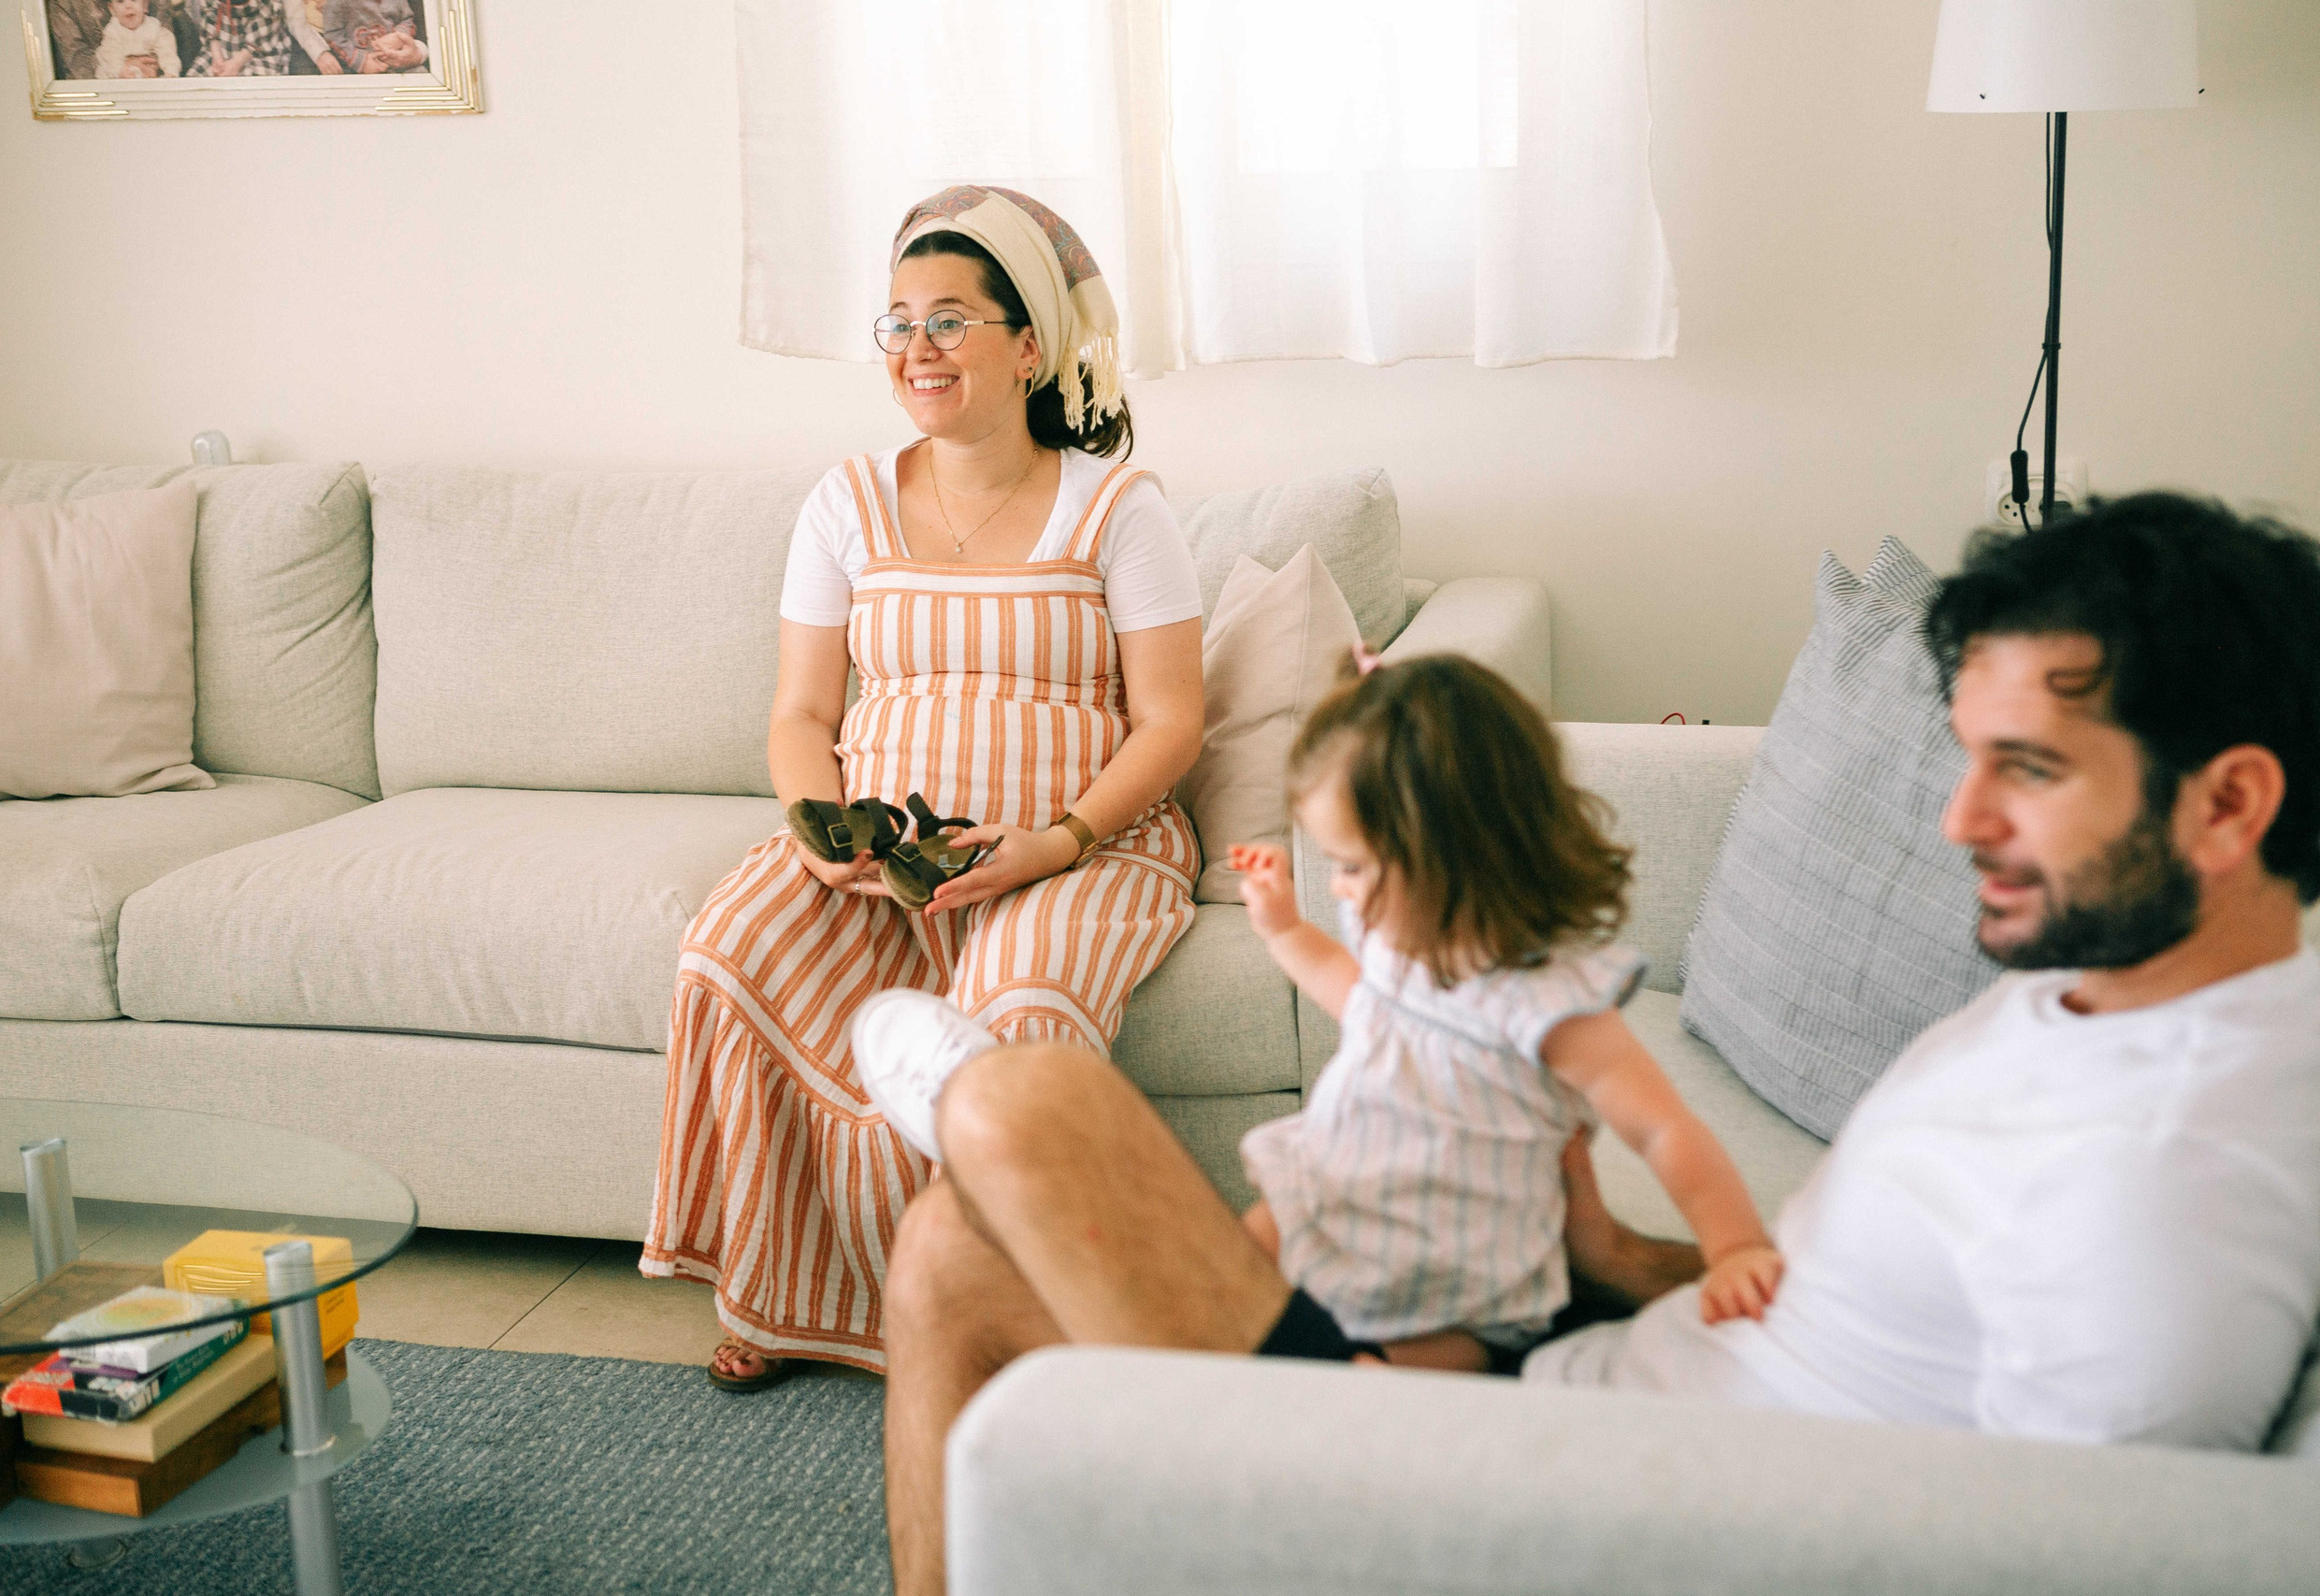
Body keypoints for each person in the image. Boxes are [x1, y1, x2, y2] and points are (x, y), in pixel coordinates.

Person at [869, 492, 2320, 1595]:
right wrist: (1621, 1258)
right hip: (1579, 1376)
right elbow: (1866, 1320)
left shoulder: (2174, 1171)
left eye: (2031, 769)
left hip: (1566, 1513)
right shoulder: (2090, 989)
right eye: (1971, 755)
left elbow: (2045, 1553)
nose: (1960, 818)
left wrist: (1579, 1485)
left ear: (2229, 803)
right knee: (949, 1243)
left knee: (1035, 1109)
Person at [640, 187, 1205, 1393]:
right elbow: (801, 716)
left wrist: (1056, 841)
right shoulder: (843, 501)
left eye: (949, 320)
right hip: (880, 849)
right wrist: (815, 834)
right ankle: (779, 1294)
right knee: (725, 952)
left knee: (1014, 1028)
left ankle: (998, 1327)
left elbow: (1171, 722)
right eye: (897, 324)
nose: (917, 349)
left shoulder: (1119, 507)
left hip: (1077, 853)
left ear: (1028, 347)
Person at [1209, 650, 1780, 1372]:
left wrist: (1736, 1247)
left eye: (1351, 865)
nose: (1339, 888)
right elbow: (1361, 1002)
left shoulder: (1547, 1001)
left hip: (1455, 1249)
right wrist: (1285, 930)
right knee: (1241, 1252)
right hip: (1341, 1185)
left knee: (1441, 1350)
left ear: (1453, 852)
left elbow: (1664, 1127)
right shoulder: (1396, 937)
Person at [181, 0, 294, 77]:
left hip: (259, 49)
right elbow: (209, 15)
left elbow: (263, 30)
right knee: (195, 79)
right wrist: (217, 56)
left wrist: (236, 63)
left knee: (253, 84)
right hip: (222, 42)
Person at [319, 0, 425, 73]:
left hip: (401, 63)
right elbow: (333, 36)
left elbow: (407, 19)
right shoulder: (335, 4)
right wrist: (360, 62)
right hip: (359, 70)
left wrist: (398, 36)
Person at [93, 0, 180, 77]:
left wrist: (170, 72)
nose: (128, 6)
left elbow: (167, 52)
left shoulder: (153, 28)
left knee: (166, 39)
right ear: (112, 9)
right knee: (104, 60)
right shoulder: (112, 31)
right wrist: (120, 71)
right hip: (119, 74)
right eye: (120, 1)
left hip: (149, 75)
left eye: (134, 0)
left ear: (145, 6)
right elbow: (111, 56)